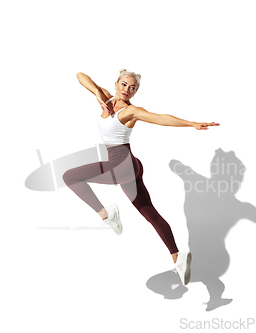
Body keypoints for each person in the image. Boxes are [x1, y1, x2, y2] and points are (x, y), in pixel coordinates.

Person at [62, 69, 219, 285]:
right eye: (124, 85)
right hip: (130, 165)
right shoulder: (106, 98)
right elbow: (81, 76)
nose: (127, 90)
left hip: (121, 163)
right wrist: (98, 95)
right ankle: (177, 257)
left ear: (136, 92)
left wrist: (191, 123)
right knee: (150, 213)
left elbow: (160, 118)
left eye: (133, 88)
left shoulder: (130, 111)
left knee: (69, 176)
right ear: (116, 84)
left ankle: (106, 214)